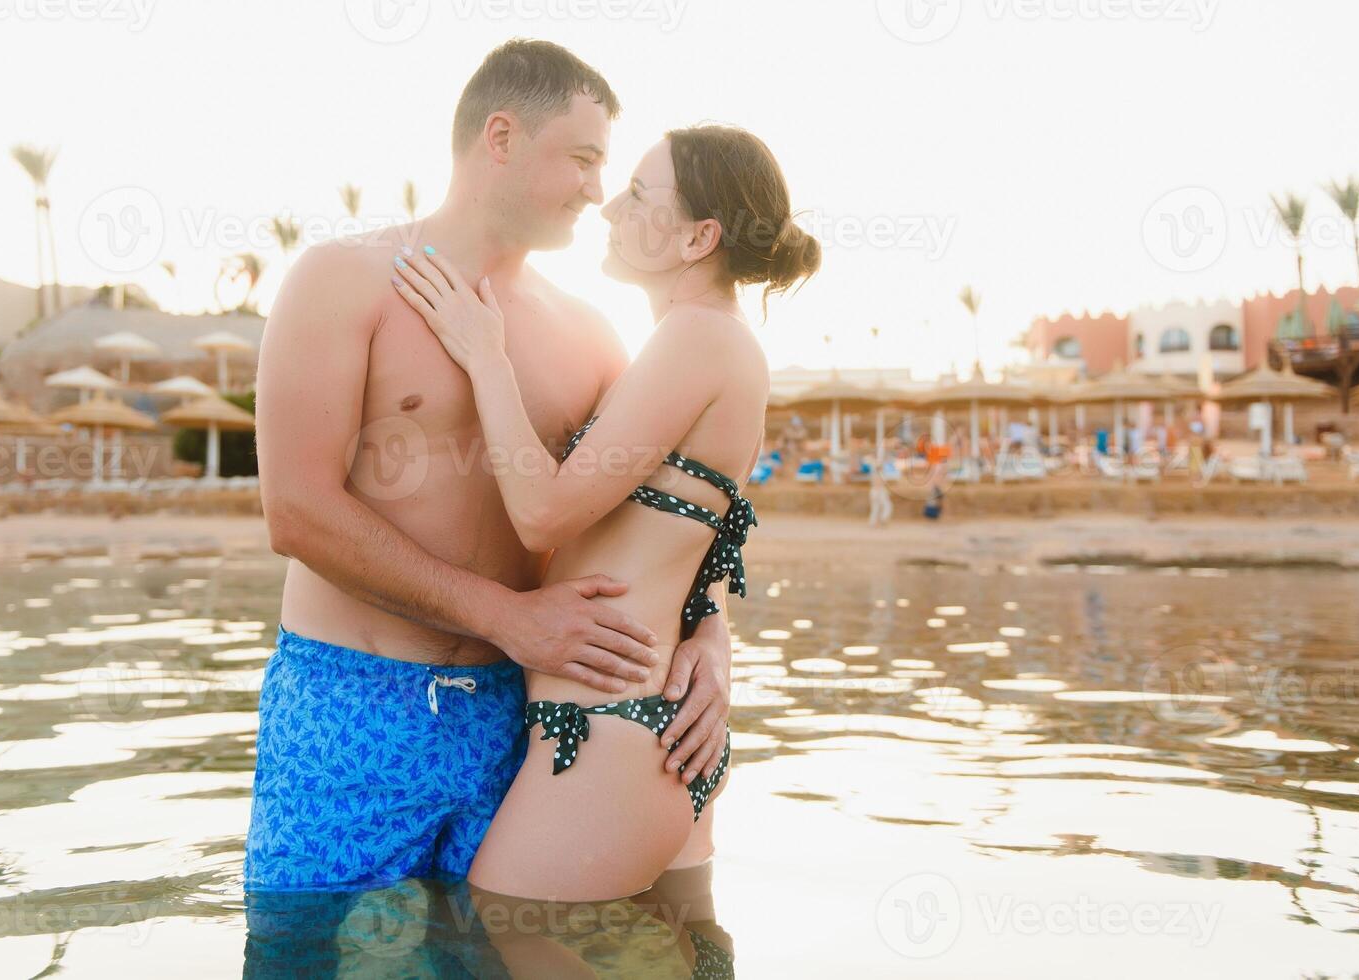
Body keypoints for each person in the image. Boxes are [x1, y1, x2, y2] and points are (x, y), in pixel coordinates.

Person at [246, 41, 736, 897]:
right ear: (501, 137)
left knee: (497, 955)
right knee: (309, 952)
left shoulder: (589, 334)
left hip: (520, 716)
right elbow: (297, 511)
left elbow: (674, 505)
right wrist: (508, 615)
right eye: (582, 159)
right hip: (353, 700)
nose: (596, 189)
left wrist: (712, 637)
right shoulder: (342, 281)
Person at [391, 123, 819, 902]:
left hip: (604, 741)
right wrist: (713, 633)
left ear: (699, 237)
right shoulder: (702, 344)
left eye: (640, 195)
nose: (610, 205)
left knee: (501, 937)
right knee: (690, 955)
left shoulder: (697, 338)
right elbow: (711, 535)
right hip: (645, 736)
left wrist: (485, 354)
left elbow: (544, 514)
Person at [868, 449, 893, 526]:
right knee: (886, 506)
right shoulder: (878, 472)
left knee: (876, 507)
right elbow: (877, 483)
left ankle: (874, 522)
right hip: (878, 491)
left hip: (876, 491)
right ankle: (882, 519)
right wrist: (879, 492)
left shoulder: (876, 470)